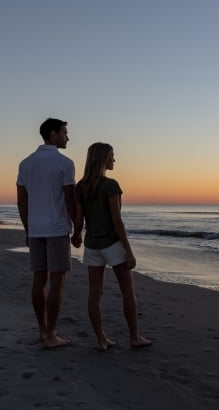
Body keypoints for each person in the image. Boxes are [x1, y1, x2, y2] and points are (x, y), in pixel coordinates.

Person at [71, 142, 152, 351]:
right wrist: (129, 250)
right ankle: (134, 337)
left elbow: (79, 219)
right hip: (112, 243)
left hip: (92, 245)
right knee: (127, 292)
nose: (114, 160)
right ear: (103, 159)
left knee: (94, 293)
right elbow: (117, 221)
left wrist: (77, 235)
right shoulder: (110, 185)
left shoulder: (80, 186)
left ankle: (101, 340)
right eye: (112, 156)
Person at [17, 117, 77, 349]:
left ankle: (43, 330)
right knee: (57, 281)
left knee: (39, 279)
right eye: (64, 133)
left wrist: (27, 228)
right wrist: (78, 227)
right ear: (53, 134)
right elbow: (70, 199)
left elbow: (22, 201)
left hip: (36, 229)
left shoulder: (25, 163)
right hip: (56, 228)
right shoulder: (64, 163)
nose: (67, 137)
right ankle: (51, 334)